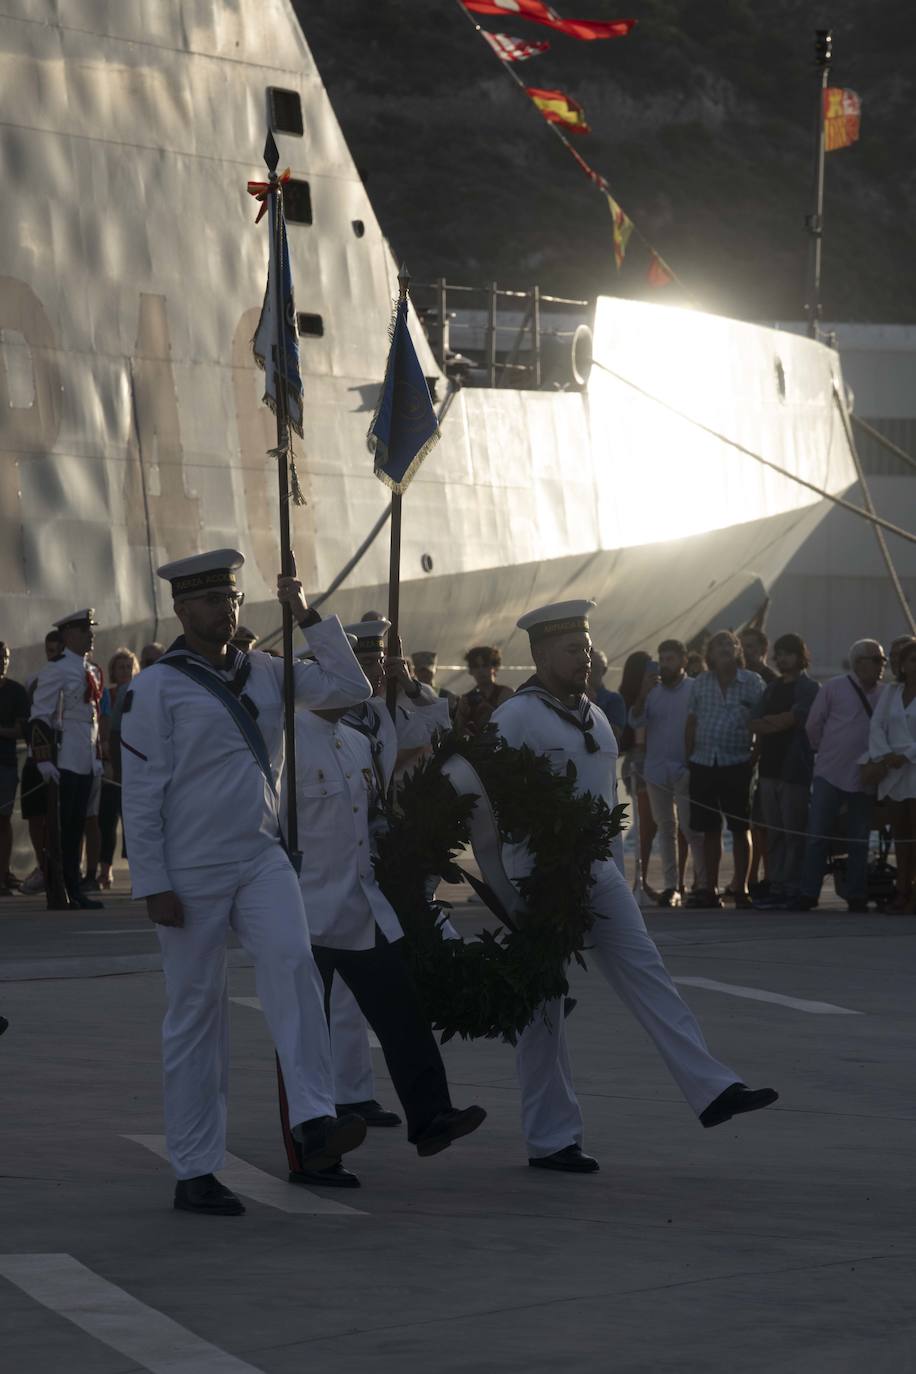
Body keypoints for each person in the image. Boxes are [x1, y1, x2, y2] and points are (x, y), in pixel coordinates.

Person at [120, 549, 375, 1216]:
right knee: (197, 1017)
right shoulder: (156, 688)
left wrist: (307, 615)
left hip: (261, 857)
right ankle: (196, 1168)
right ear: (181, 610)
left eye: (231, 598)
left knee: (294, 966)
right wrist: (153, 882)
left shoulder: (268, 670)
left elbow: (353, 689)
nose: (224, 610)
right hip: (190, 868)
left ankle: (316, 1120)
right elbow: (142, 795)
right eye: (208, 601)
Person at [492, 600, 777, 1173]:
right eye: (572, 649)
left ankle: (712, 1089)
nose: (587, 657)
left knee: (648, 972)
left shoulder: (594, 715)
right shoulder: (516, 717)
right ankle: (551, 1139)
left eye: (588, 646)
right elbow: (494, 805)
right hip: (539, 876)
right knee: (542, 1006)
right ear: (540, 654)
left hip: (598, 870)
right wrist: (508, 889)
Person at [279, 690, 486, 1186]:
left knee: (402, 1012)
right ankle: (312, 1147)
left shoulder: (355, 740)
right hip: (302, 911)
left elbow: (371, 816)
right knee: (304, 1034)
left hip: (358, 906)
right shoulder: (283, 740)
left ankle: (431, 1116)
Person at [795, 639, 886, 913]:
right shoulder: (834, 688)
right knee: (817, 835)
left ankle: (856, 894)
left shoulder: (886, 694)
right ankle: (809, 892)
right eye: (877, 660)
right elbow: (813, 725)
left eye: (883, 661)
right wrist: (826, 751)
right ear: (860, 663)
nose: (882, 666)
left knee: (859, 838)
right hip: (829, 773)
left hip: (864, 776)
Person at [29, 610, 105, 911]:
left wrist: (97, 755)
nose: (91, 635)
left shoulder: (91, 669)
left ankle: (74, 888)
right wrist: (44, 760)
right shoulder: (56, 670)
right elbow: (40, 716)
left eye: (91, 630)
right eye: (85, 630)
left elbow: (94, 719)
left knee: (76, 828)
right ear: (69, 636)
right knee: (61, 830)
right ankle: (60, 888)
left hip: (84, 758)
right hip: (64, 760)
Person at [685, 630, 766, 908]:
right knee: (709, 829)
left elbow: (761, 720)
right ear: (710, 653)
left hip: (736, 762)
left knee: (740, 827)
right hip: (704, 761)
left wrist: (755, 754)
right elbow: (692, 721)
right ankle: (710, 889)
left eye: (730, 643)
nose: (725, 647)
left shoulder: (752, 682)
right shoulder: (700, 683)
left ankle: (741, 887)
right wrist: (689, 756)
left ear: (738, 650)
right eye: (719, 644)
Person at [629, 639, 706, 908]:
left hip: (684, 767)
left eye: (670, 659)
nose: (665, 665)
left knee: (691, 828)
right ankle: (672, 886)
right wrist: (642, 692)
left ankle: (703, 884)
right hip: (656, 768)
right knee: (666, 828)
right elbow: (636, 720)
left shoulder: (695, 688)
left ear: (683, 660)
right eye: (662, 660)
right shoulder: (653, 692)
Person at [750, 635, 819, 909]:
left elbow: (796, 717)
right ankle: (777, 884)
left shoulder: (809, 688)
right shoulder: (771, 688)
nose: (781, 659)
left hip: (795, 770)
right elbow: (753, 722)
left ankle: (793, 886)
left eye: (788, 653)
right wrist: (776, 722)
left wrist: (772, 722)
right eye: (778, 654)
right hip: (768, 768)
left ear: (800, 656)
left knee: (794, 832)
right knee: (774, 832)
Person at [869, 638, 916, 913]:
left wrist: (906, 755)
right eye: (912, 660)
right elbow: (877, 725)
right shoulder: (890, 693)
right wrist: (885, 755)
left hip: (912, 767)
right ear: (903, 665)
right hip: (894, 772)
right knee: (901, 836)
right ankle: (902, 890)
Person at [18, 631, 62, 895]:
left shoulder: (75, 677)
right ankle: (42, 866)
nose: (52, 656)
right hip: (38, 755)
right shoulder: (34, 679)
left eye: (56, 651)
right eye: (49, 651)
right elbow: (31, 721)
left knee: (58, 817)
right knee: (35, 815)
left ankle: (61, 867)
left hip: (62, 754)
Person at [97, 646, 140, 889]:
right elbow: (105, 730)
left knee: (133, 822)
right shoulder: (107, 695)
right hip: (113, 765)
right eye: (120, 666)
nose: (124, 670)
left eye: (128, 666)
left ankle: (138, 873)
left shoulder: (140, 691)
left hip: (134, 766)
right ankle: (105, 871)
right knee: (107, 820)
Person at [618, 650, 658, 898]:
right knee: (646, 823)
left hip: (654, 760)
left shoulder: (656, 695)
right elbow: (631, 736)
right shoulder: (628, 700)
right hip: (638, 762)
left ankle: (642, 879)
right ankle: (639, 880)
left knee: (653, 825)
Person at [0, 643, 30, 895]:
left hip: (5, 763)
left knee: (3, 819)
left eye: (5, 657)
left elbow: (21, 730)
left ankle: (3, 872)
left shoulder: (16, 692)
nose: (2, 661)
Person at [454, 646, 513, 737]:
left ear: (494, 667)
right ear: (471, 670)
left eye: (485, 665)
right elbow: (457, 732)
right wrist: (463, 715)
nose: (481, 671)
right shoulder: (466, 699)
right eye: (476, 666)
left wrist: (491, 712)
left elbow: (513, 723)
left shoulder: (505, 693)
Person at [588, 648, 627, 742]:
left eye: (594, 667)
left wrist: (592, 707)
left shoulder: (614, 699)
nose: (590, 671)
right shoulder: (570, 696)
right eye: (588, 666)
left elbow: (615, 734)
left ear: (604, 670)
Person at [411, 650, 458, 718]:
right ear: (415, 671)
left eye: (428, 670)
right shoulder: (409, 696)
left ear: (435, 670)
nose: (425, 674)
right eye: (422, 670)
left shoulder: (447, 696)